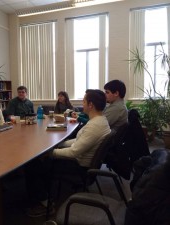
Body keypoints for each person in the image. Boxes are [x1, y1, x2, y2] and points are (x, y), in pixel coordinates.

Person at [25, 89, 111, 217]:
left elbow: (73, 153)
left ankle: (44, 203)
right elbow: (78, 141)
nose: (82, 104)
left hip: (78, 166)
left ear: (91, 105)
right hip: (81, 160)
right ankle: (45, 192)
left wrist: (50, 153)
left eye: (84, 101)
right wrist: (57, 145)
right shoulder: (99, 121)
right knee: (41, 158)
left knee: (32, 164)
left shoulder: (95, 126)